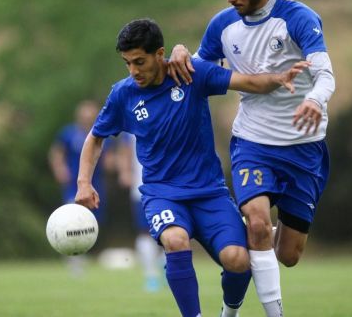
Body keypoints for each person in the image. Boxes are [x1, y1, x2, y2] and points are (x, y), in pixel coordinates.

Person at [75, 18, 309, 317]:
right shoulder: (123, 94)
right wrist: (85, 182)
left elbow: (245, 82)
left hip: (210, 193)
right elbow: (95, 138)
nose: (133, 71)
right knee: (175, 240)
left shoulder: (191, 76)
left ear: (160, 54)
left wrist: (279, 78)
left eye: (139, 61)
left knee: (238, 259)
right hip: (163, 194)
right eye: (127, 63)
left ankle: (229, 312)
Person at [168, 0, 336, 317]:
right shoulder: (223, 25)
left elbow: (326, 74)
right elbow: (196, 72)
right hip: (253, 142)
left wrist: (314, 99)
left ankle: (248, 251)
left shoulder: (299, 18)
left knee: (288, 255)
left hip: (304, 148)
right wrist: (180, 50)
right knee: (258, 223)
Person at [48, 99, 109, 274]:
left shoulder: (101, 133)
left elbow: (108, 156)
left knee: (92, 222)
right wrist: (59, 169)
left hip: (97, 184)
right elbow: (56, 152)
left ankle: (81, 253)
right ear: (79, 115)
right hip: (74, 185)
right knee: (72, 220)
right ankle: (74, 262)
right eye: (84, 114)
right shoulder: (68, 133)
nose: (87, 117)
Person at [117, 133, 165, 293]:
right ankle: (151, 276)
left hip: (170, 187)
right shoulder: (133, 121)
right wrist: (124, 171)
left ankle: (167, 267)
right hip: (142, 188)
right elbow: (125, 150)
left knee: (172, 229)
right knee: (145, 232)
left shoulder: (171, 113)